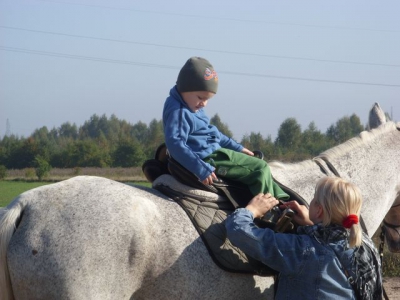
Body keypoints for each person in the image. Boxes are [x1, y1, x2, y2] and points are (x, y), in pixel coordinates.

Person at [225, 176, 383, 300]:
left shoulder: (304, 250)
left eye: (313, 200)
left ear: (319, 210)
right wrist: (311, 223)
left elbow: (239, 231)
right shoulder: (365, 242)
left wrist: (252, 209)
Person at [162, 56, 288, 200]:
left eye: (207, 99)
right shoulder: (179, 111)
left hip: (212, 152)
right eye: (200, 97)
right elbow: (175, 143)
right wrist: (201, 169)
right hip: (206, 157)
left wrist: (237, 148)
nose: (203, 103)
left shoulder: (192, 106)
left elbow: (213, 133)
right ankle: (268, 209)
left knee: (262, 168)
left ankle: (281, 199)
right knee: (259, 168)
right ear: (185, 88)